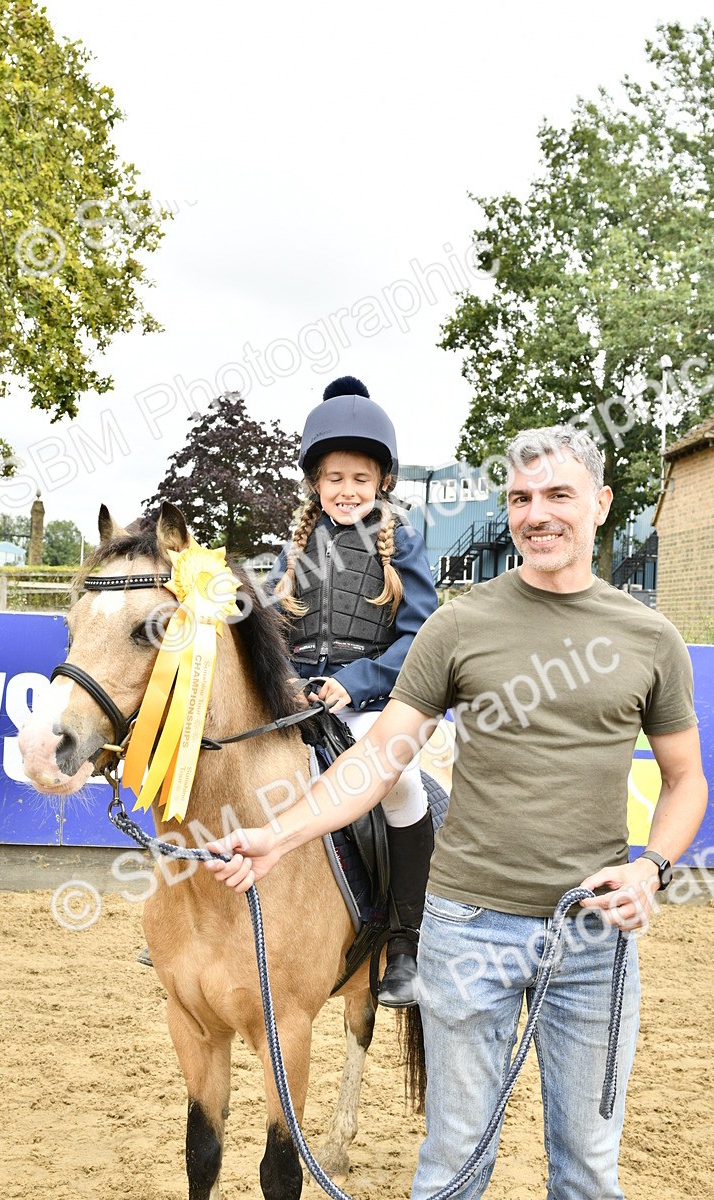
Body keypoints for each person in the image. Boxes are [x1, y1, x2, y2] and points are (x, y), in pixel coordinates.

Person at [207, 425, 708, 1200]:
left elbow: (685, 781)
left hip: (593, 934)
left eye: (557, 496)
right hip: (469, 928)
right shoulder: (459, 627)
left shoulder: (649, 636)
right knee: (452, 1166)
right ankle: (397, 937)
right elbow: (379, 760)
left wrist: (650, 868)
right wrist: (280, 833)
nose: (536, 514)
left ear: (601, 505)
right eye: (519, 498)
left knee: (588, 1171)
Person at [269, 375, 439, 1007]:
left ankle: (404, 943)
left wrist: (352, 683)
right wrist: (283, 679)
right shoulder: (291, 550)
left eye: (360, 480)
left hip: (372, 705)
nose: (347, 491)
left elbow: (421, 637)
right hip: (294, 703)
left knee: (401, 783)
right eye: (335, 479)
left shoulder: (405, 544)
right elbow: (266, 633)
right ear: (316, 483)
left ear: (381, 483)